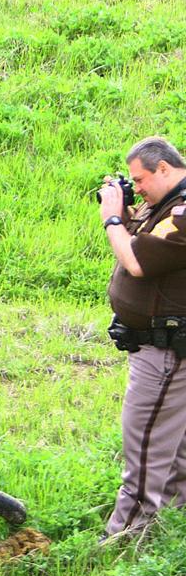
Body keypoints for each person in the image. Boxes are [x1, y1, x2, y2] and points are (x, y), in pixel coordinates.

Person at [100, 137, 186, 539]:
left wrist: (112, 219)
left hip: (166, 351)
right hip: (154, 345)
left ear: (164, 169)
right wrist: (129, 210)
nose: (139, 188)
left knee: (145, 443)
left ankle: (126, 535)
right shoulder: (167, 205)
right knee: (173, 448)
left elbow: (135, 261)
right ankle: (170, 525)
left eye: (141, 179)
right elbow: (142, 239)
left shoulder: (184, 213)